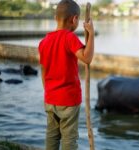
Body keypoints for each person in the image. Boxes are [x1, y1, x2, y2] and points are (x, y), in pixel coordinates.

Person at [38, 0, 94, 149]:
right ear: (74, 19)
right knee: (69, 139)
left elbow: (43, 71)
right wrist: (91, 34)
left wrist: (48, 92)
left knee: (51, 136)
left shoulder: (44, 41)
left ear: (55, 17)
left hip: (50, 98)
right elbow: (87, 58)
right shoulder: (69, 38)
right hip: (68, 99)